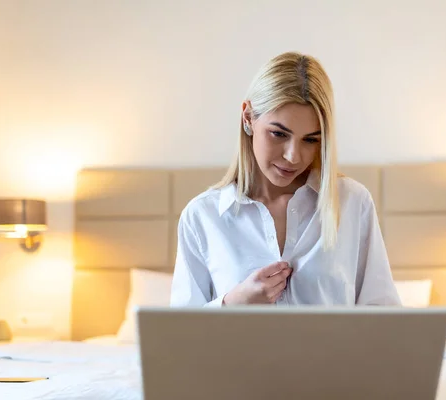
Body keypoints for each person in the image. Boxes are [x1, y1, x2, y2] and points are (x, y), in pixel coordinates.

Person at [170, 51, 401, 307]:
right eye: (279, 134)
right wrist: (230, 305)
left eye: (311, 139)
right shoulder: (202, 216)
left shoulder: (353, 203)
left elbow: (382, 317)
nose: (293, 156)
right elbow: (180, 338)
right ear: (248, 118)